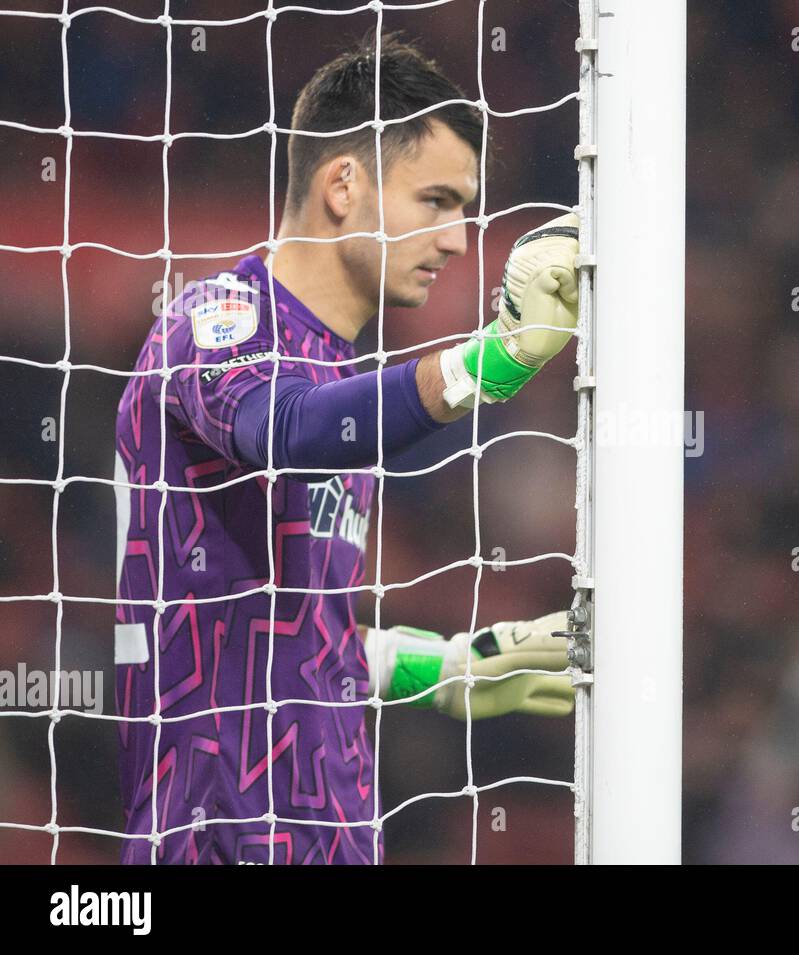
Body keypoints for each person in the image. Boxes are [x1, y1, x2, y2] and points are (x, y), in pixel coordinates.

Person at [112, 29, 579, 864]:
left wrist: (434, 666)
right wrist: (494, 361)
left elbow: (275, 631)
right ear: (342, 184)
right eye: (436, 201)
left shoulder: (336, 374)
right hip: (219, 838)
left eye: (466, 209)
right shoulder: (220, 316)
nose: (459, 239)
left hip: (330, 834)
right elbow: (283, 430)